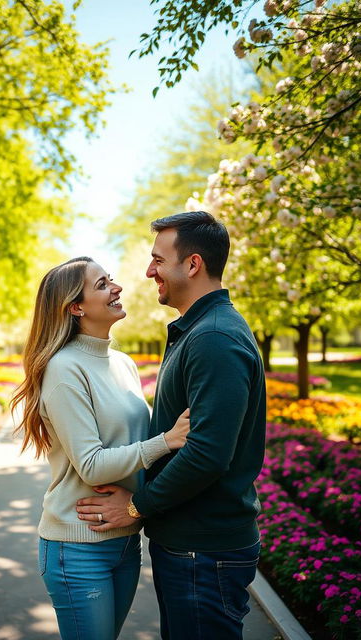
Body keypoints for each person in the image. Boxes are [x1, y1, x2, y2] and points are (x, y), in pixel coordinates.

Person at [75, 211, 267, 640]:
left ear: (193, 264)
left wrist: (136, 505)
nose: (148, 272)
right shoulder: (200, 330)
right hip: (194, 546)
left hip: (203, 549)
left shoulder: (214, 338)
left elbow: (207, 454)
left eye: (158, 260)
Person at [11, 256, 191, 640]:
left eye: (111, 280)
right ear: (76, 307)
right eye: (102, 284)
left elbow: (128, 446)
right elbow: (91, 465)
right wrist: (167, 440)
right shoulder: (64, 368)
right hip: (77, 545)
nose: (117, 287)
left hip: (125, 539)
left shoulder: (122, 363)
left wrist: (139, 502)